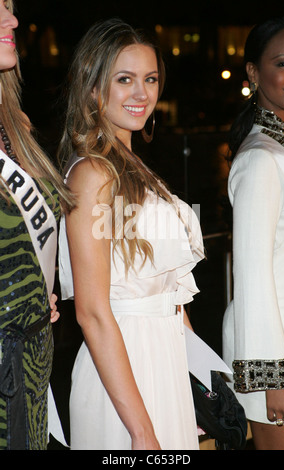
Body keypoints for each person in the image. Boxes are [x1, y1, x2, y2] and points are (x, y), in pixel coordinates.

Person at [58, 18, 204, 450]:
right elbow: (92, 311)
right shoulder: (92, 174)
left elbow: (172, 292)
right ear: (91, 88)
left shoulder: (134, 166)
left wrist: (196, 378)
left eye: (150, 79)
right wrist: (142, 432)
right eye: (125, 79)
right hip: (124, 372)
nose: (142, 94)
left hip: (165, 362)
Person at [0, 0, 73, 450]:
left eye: (9, 6)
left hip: (29, 367)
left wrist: (29, 291)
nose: (12, 20)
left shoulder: (15, 126)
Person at [222, 15, 284, 450]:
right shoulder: (261, 158)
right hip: (275, 356)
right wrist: (274, 378)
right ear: (253, 72)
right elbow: (250, 275)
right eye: (283, 63)